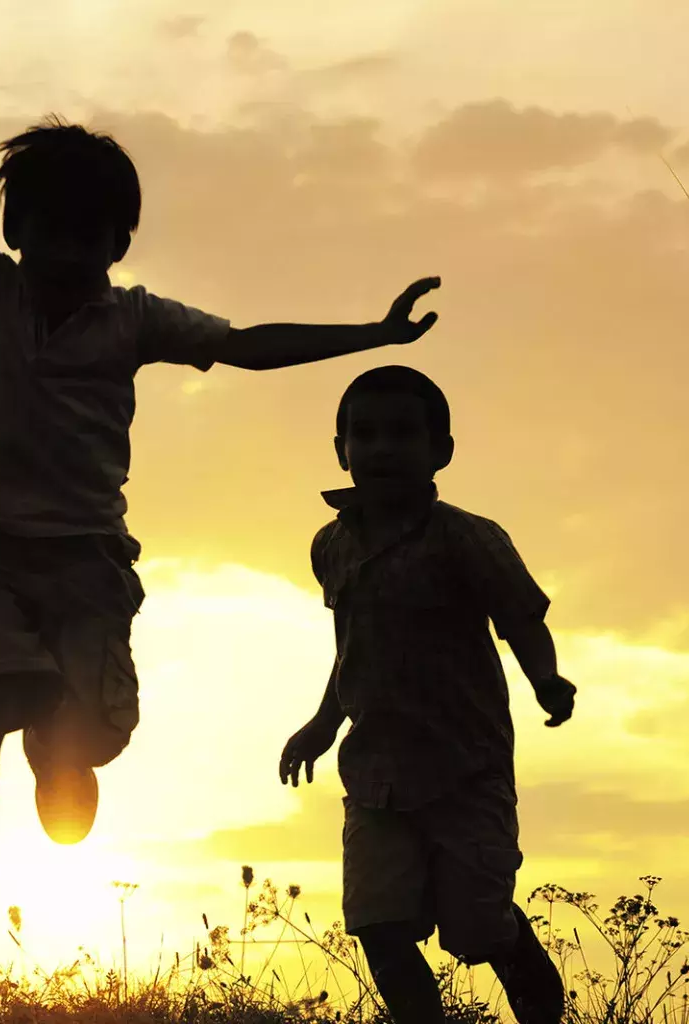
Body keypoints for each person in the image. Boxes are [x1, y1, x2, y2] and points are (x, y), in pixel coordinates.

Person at [0, 0, 444, 993]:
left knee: (85, 740)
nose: (68, 253)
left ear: (118, 241)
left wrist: (373, 335)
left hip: (87, 567)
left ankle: (60, 747)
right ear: (20, 232)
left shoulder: (134, 320)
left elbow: (248, 344)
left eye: (91, 236)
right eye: (50, 232)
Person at [280, 366, 573, 1024]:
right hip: (376, 774)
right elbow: (349, 648)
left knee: (481, 929)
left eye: (404, 434)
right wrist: (322, 725)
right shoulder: (332, 546)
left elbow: (522, 619)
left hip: (465, 768)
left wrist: (546, 680)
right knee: (379, 924)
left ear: (441, 450)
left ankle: (537, 998)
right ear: (341, 450)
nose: (383, 448)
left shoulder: (467, 538)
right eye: (366, 434)